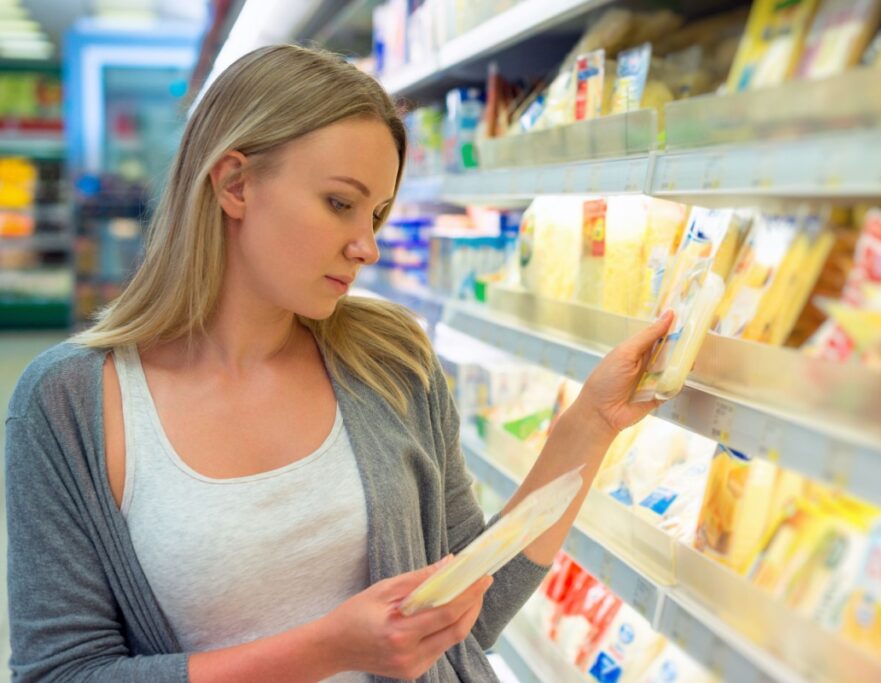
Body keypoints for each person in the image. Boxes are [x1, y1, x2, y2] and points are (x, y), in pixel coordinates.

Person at [5, 45, 672, 682]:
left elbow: (472, 612)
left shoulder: (389, 360)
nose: (368, 247)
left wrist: (590, 423)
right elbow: (62, 670)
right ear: (235, 182)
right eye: (340, 204)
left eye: (378, 214)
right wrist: (328, 647)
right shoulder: (70, 402)